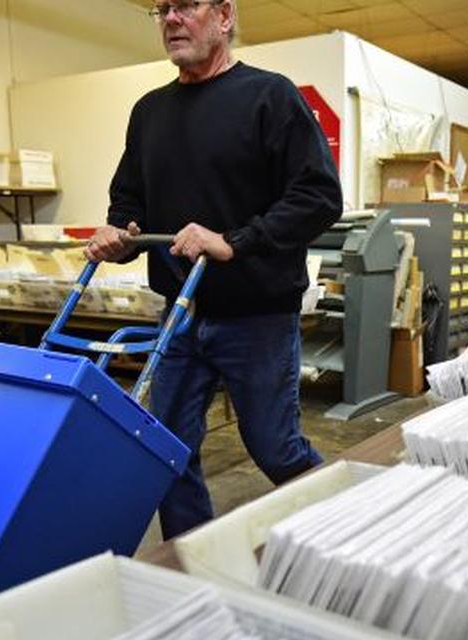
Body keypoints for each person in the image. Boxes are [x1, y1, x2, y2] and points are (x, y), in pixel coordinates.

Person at [85, 0, 342, 539]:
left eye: (186, 5)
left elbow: (318, 197)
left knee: (275, 447)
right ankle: (194, 563)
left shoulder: (270, 97)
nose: (171, 19)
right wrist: (118, 233)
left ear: (224, 16)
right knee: (165, 453)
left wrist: (235, 242)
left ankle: (344, 538)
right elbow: (129, 199)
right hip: (179, 315)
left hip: (257, 317)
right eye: (161, 9)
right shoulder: (149, 111)